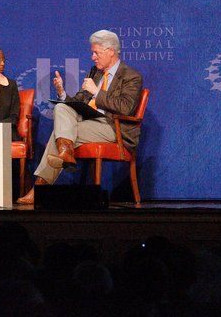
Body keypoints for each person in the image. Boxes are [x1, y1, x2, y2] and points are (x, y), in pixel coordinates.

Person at [19, 30, 143, 204]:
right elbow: (78, 101)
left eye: (96, 53)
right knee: (62, 107)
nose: (93, 57)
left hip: (113, 127)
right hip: (89, 121)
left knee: (59, 135)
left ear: (111, 51)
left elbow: (126, 108)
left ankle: (40, 187)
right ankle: (65, 152)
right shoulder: (96, 72)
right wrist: (62, 93)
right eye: (92, 52)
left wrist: (97, 92)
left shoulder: (131, 76)